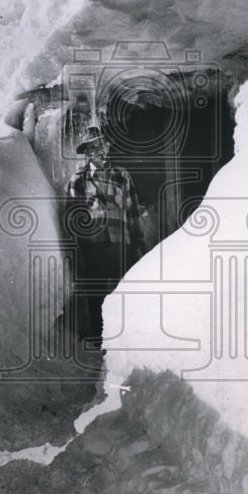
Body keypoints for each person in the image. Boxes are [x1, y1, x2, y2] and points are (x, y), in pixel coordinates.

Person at [65, 125, 146, 343]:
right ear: (86, 152)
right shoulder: (78, 180)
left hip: (121, 243)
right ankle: (100, 338)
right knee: (97, 292)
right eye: (91, 148)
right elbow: (74, 218)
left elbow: (132, 212)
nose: (97, 151)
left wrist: (138, 244)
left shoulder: (122, 175)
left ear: (107, 146)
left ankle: (127, 339)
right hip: (94, 245)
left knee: (125, 290)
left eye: (100, 145)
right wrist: (78, 250)